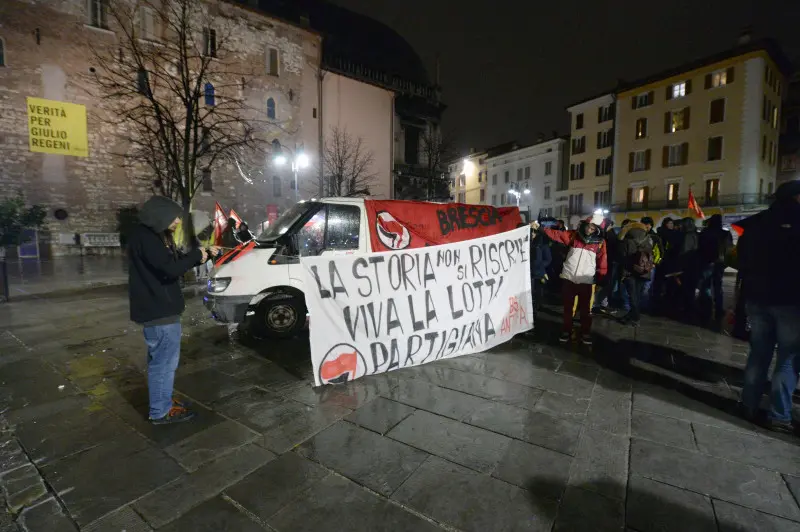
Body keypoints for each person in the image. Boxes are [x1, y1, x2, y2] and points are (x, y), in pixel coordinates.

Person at [128, 196, 219, 424]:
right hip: (159, 310)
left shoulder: (147, 236)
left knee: (162, 360)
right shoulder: (147, 238)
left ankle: (164, 401)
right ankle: (160, 410)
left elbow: (171, 265)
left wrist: (200, 257)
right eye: (175, 217)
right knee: (164, 363)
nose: (178, 221)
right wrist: (198, 255)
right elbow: (169, 269)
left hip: (157, 308)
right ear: (160, 215)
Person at [738, 180, 800, 433]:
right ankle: (780, 415)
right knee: (788, 358)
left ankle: (748, 405)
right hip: (791, 300)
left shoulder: (756, 223)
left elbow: (740, 260)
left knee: (758, 354)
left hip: (757, 297)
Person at [534, 213, 607, 345]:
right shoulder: (574, 235)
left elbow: (603, 262)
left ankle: (585, 332)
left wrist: (601, 279)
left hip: (586, 280)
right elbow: (557, 235)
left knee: (585, 310)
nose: (589, 230)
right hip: (569, 277)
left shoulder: (600, 243)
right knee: (568, 308)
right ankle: (566, 330)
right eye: (588, 227)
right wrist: (541, 229)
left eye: (593, 229)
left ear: (597, 230)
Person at [617, 221, 655, 326]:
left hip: (630, 272)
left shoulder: (627, 240)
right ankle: (630, 315)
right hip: (644, 271)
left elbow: (622, 257)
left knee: (632, 296)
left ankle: (636, 318)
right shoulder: (648, 239)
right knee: (637, 295)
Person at [697, 214, 733, 322]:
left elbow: (699, 248)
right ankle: (718, 308)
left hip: (705, 263)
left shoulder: (704, 233)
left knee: (705, 286)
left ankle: (705, 308)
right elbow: (729, 249)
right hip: (719, 263)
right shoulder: (725, 234)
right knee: (718, 286)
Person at [639, 216, 663, 312]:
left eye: (647, 224)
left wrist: (655, 263)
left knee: (647, 286)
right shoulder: (640, 235)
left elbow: (660, 252)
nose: (646, 226)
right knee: (641, 286)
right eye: (644, 224)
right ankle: (640, 305)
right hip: (640, 264)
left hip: (650, 265)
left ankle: (644, 306)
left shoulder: (655, 237)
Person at [529, 225, 552, 322]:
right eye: (531, 232)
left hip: (538, 274)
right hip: (528, 274)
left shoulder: (542, 245)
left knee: (536, 293)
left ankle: (535, 311)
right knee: (530, 295)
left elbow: (548, 259)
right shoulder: (526, 243)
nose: (532, 234)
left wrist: (539, 266)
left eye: (534, 232)